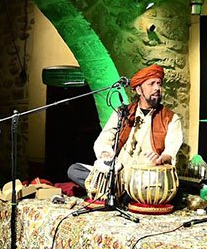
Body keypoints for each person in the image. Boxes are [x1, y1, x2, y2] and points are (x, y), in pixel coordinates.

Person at [67, 63, 183, 191]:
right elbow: (104, 139)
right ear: (139, 90)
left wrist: (162, 159)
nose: (157, 88)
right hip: (117, 174)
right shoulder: (123, 112)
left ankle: (111, 192)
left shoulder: (170, 118)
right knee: (74, 170)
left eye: (159, 84)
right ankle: (116, 190)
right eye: (152, 84)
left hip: (146, 178)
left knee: (166, 189)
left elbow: (171, 150)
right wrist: (105, 153)